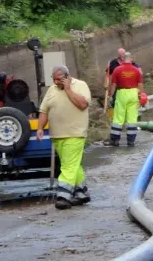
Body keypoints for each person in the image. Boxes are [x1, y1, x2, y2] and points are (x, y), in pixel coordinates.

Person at [36, 65, 92, 210]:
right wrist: (40, 128)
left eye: (59, 79)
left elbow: (83, 104)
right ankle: (81, 193)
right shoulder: (51, 90)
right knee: (73, 165)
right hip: (57, 135)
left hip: (75, 133)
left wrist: (68, 90)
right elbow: (44, 110)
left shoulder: (80, 85)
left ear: (67, 77)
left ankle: (63, 196)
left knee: (67, 166)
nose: (55, 82)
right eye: (53, 79)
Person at [108, 52, 145, 147]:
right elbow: (140, 85)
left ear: (123, 59)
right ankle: (131, 141)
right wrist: (142, 95)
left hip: (122, 93)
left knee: (118, 118)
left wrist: (111, 96)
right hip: (133, 93)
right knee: (132, 118)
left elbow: (113, 84)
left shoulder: (117, 69)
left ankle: (115, 140)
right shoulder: (136, 70)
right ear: (131, 58)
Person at [104, 48, 141, 114]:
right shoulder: (113, 63)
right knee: (114, 103)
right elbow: (107, 74)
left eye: (123, 54)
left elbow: (140, 72)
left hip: (130, 88)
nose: (122, 56)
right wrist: (106, 83)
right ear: (118, 55)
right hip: (117, 87)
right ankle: (112, 116)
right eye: (121, 55)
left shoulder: (131, 63)